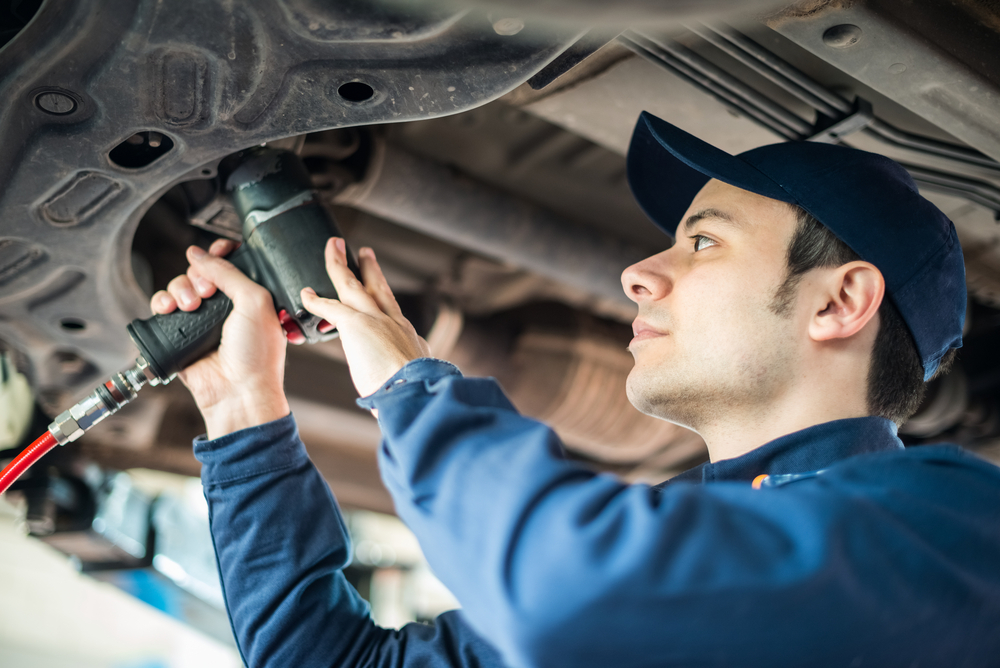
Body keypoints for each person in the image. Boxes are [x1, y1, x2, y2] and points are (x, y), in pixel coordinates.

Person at [151, 111, 1000, 667]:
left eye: (702, 244)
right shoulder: (680, 541)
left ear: (839, 301)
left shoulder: (957, 527)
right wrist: (243, 412)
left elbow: (568, 592)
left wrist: (410, 387)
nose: (637, 273)